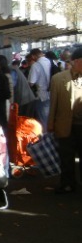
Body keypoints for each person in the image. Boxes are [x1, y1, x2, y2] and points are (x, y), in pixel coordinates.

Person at [48, 47, 82, 194]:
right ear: (76, 61)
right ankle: (67, 184)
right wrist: (50, 125)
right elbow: (53, 104)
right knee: (66, 157)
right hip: (65, 125)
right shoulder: (58, 79)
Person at [28, 48, 52, 131]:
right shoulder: (49, 62)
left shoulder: (36, 65)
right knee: (49, 116)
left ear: (33, 56)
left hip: (41, 95)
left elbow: (31, 82)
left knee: (42, 118)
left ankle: (45, 136)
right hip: (51, 93)